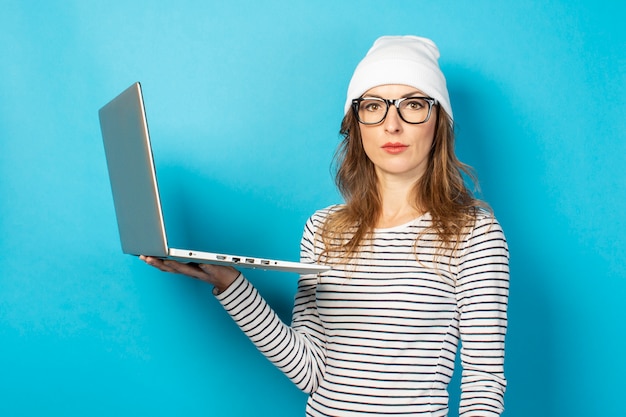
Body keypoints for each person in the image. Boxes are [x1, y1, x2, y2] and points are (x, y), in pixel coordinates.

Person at [141, 35, 509, 417]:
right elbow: (311, 371)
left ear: (439, 122)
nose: (392, 125)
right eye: (374, 106)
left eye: (414, 105)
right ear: (356, 123)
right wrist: (229, 283)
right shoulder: (323, 228)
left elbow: (484, 382)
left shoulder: (474, 234)